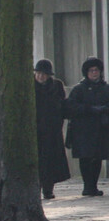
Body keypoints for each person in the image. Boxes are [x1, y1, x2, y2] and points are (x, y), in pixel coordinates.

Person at [65, 56, 109, 196]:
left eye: (96, 70)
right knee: (85, 157)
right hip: (83, 130)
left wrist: (103, 109)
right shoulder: (79, 89)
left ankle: (93, 186)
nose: (94, 73)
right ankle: (87, 186)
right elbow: (71, 107)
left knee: (97, 157)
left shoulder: (105, 88)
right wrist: (89, 109)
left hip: (100, 129)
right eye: (91, 70)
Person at [34, 59, 70, 199]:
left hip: (52, 130)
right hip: (35, 130)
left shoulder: (56, 86)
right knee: (36, 162)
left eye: (44, 74)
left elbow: (62, 105)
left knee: (51, 162)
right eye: (38, 73)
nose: (40, 76)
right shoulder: (30, 86)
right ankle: (35, 189)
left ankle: (48, 189)